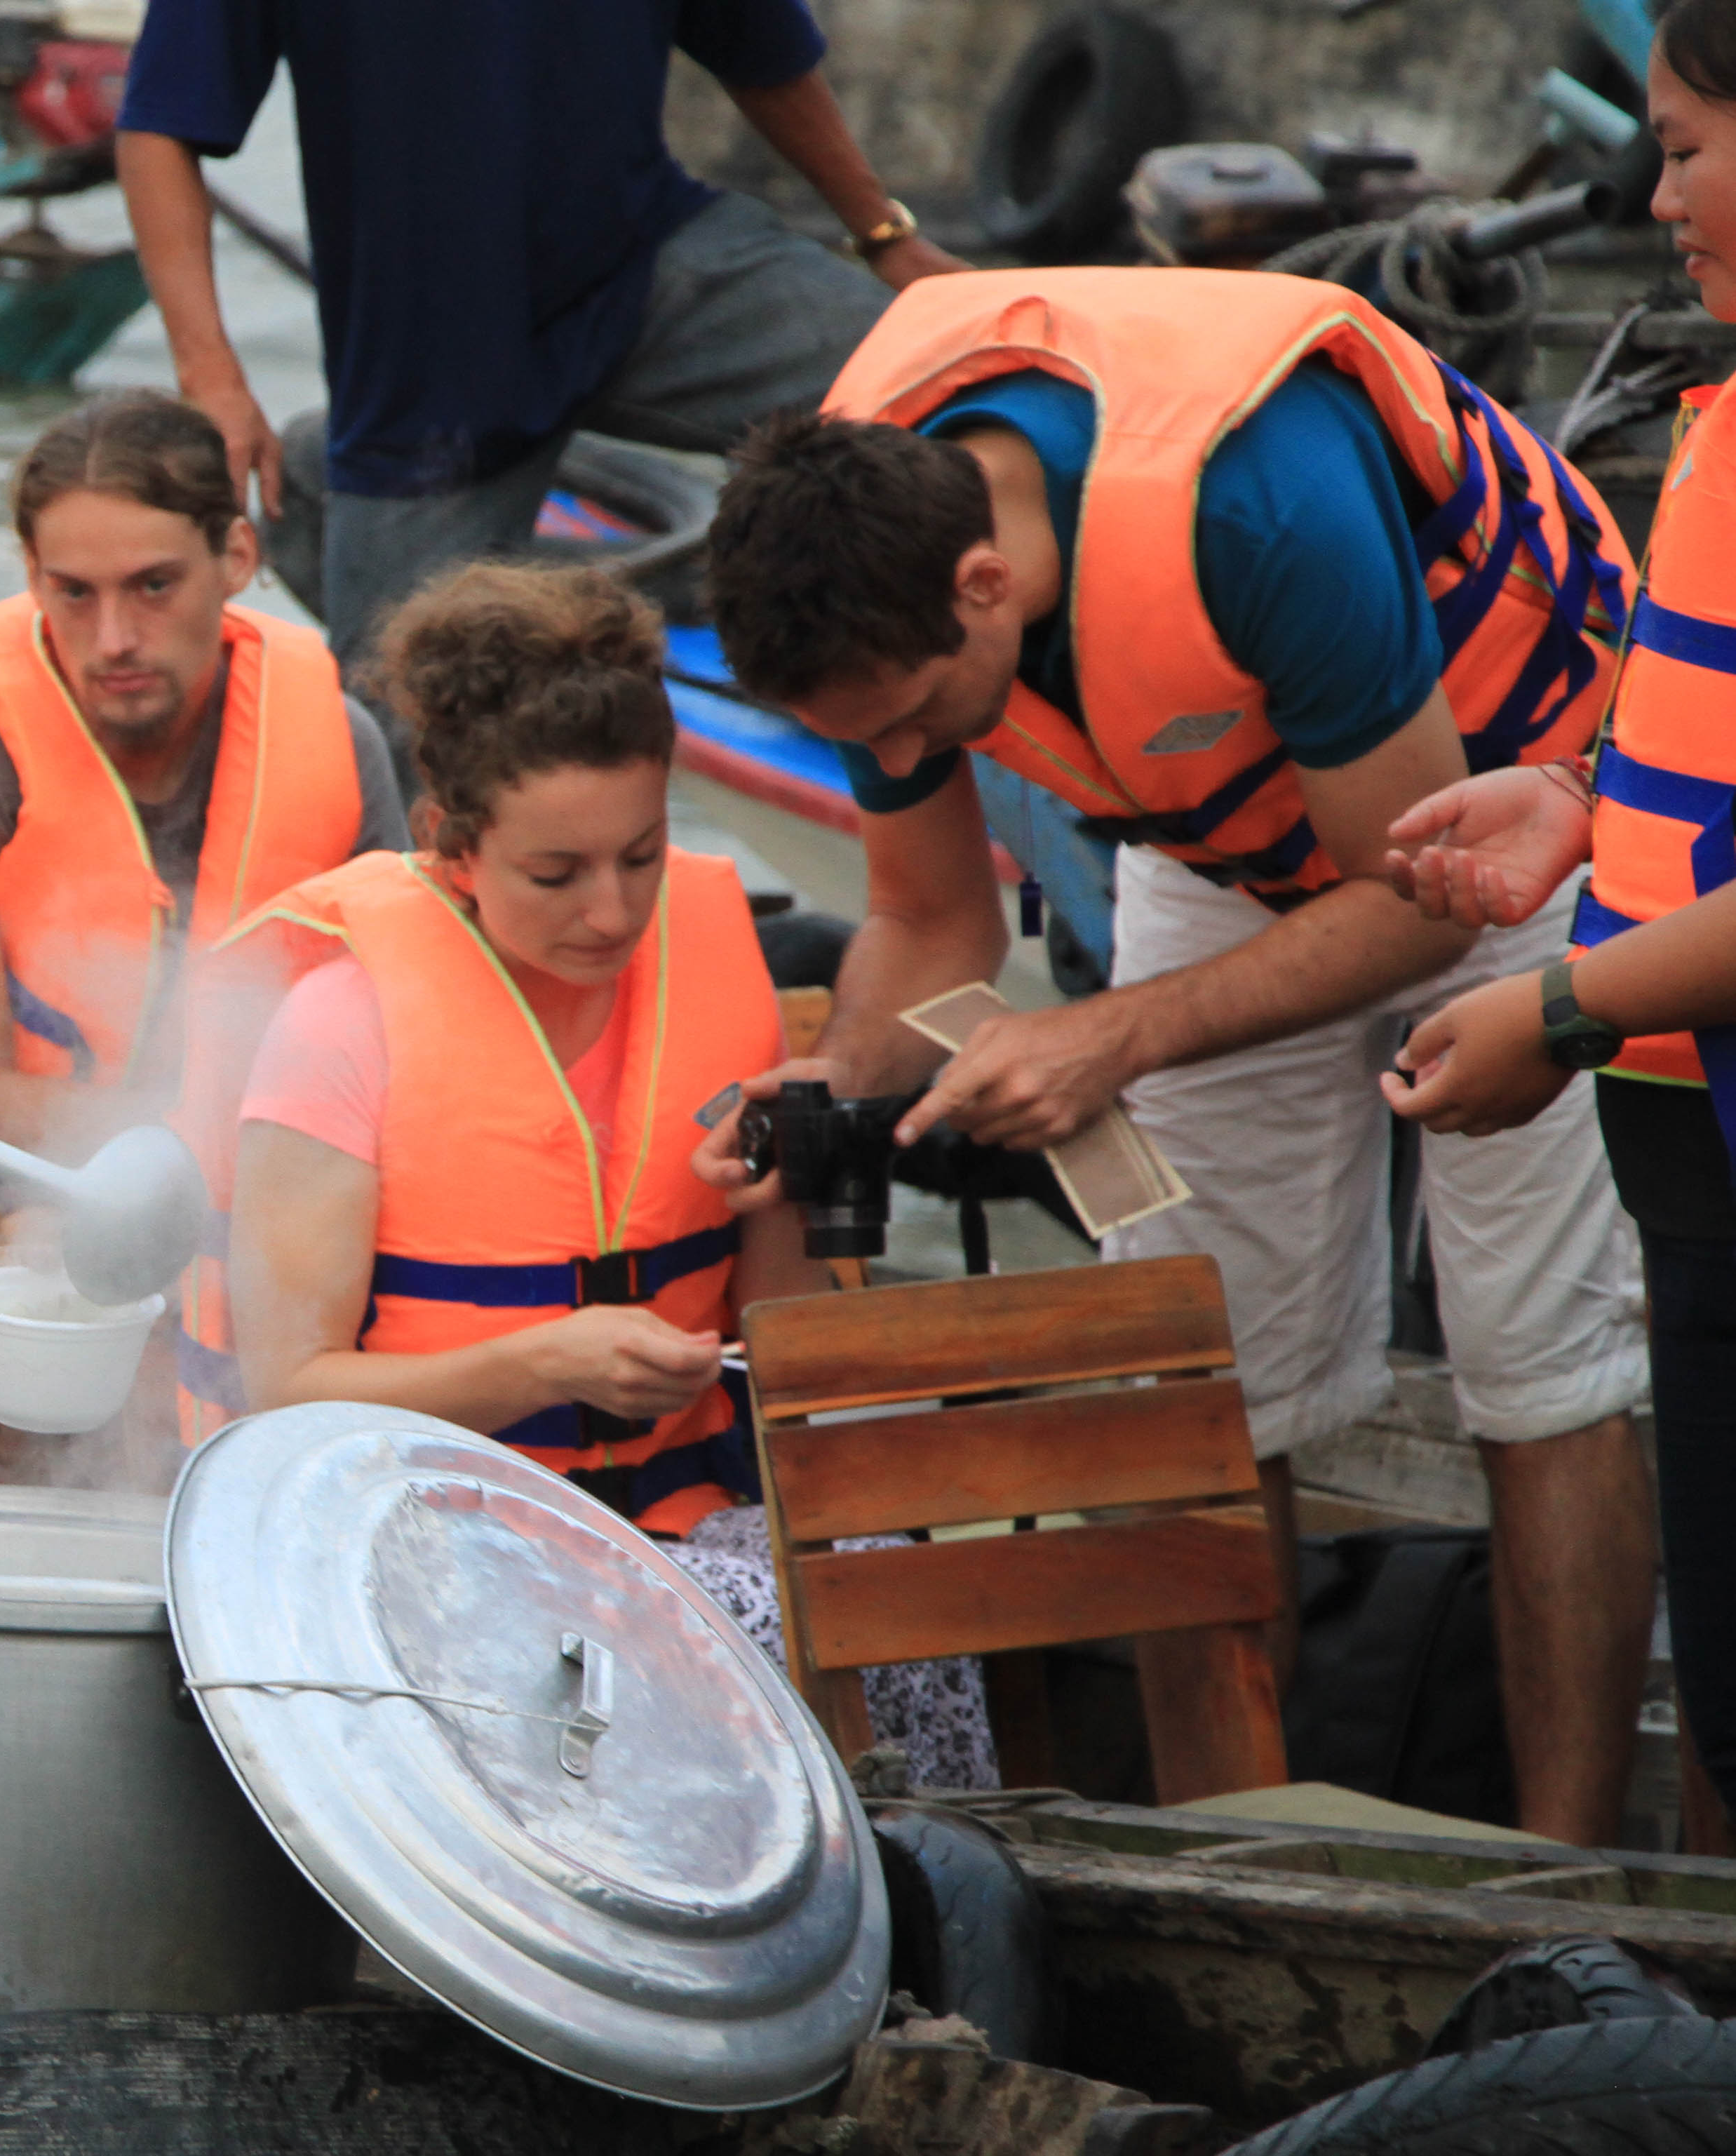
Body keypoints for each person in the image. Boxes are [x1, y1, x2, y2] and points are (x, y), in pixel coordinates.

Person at [694, 267, 1654, 1847]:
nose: (898, 759)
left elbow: (1410, 904)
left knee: (1535, 1362)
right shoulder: (856, 556)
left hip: (1499, 820)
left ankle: (1567, 1876)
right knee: (1195, 1360)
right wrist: (830, 1081)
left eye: (915, 718)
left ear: (985, 585)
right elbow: (927, 916)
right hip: (1221, 840)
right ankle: (1227, 1842)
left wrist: (1108, 1033)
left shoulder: (1255, 506)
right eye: (862, 739)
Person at [176, 561, 990, 1785]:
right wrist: (543, 1363)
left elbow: (780, 1333)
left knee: (882, 1593)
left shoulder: (709, 974)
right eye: (556, 875)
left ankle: (900, 1884)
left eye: (643, 857)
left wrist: (793, 1184)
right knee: (733, 1627)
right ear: (453, 846)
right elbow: (290, 1390)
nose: (611, 912)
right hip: (427, 1537)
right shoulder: (339, 1029)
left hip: (675, 1514)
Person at [1375, 0, 1736, 1849]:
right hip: (1687, 1138)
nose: (1653, 199)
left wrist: (1559, 1013)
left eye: (1681, 150)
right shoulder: (1720, 417)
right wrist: (1582, 802)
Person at [114, 0, 964, 674]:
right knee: (408, 748)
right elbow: (159, 125)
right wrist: (210, 376)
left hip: (650, 268)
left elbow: (759, 46)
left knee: (971, 384)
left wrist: (883, 236)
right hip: (427, 381)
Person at [0, 392, 408, 1156]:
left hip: (262, 1175)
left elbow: (391, 1037)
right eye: (74, 592)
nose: (114, 639)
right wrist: (207, 1155)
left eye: (154, 586)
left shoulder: (339, 738)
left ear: (237, 558)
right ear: (33, 576)